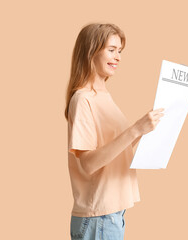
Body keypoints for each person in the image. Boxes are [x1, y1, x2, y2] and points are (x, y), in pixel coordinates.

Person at [64, 23, 165, 240]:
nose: (117, 57)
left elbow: (116, 151)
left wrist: (143, 131)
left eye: (120, 51)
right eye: (111, 50)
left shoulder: (103, 96)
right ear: (91, 51)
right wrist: (135, 128)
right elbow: (89, 163)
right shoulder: (83, 99)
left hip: (111, 215)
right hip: (98, 217)